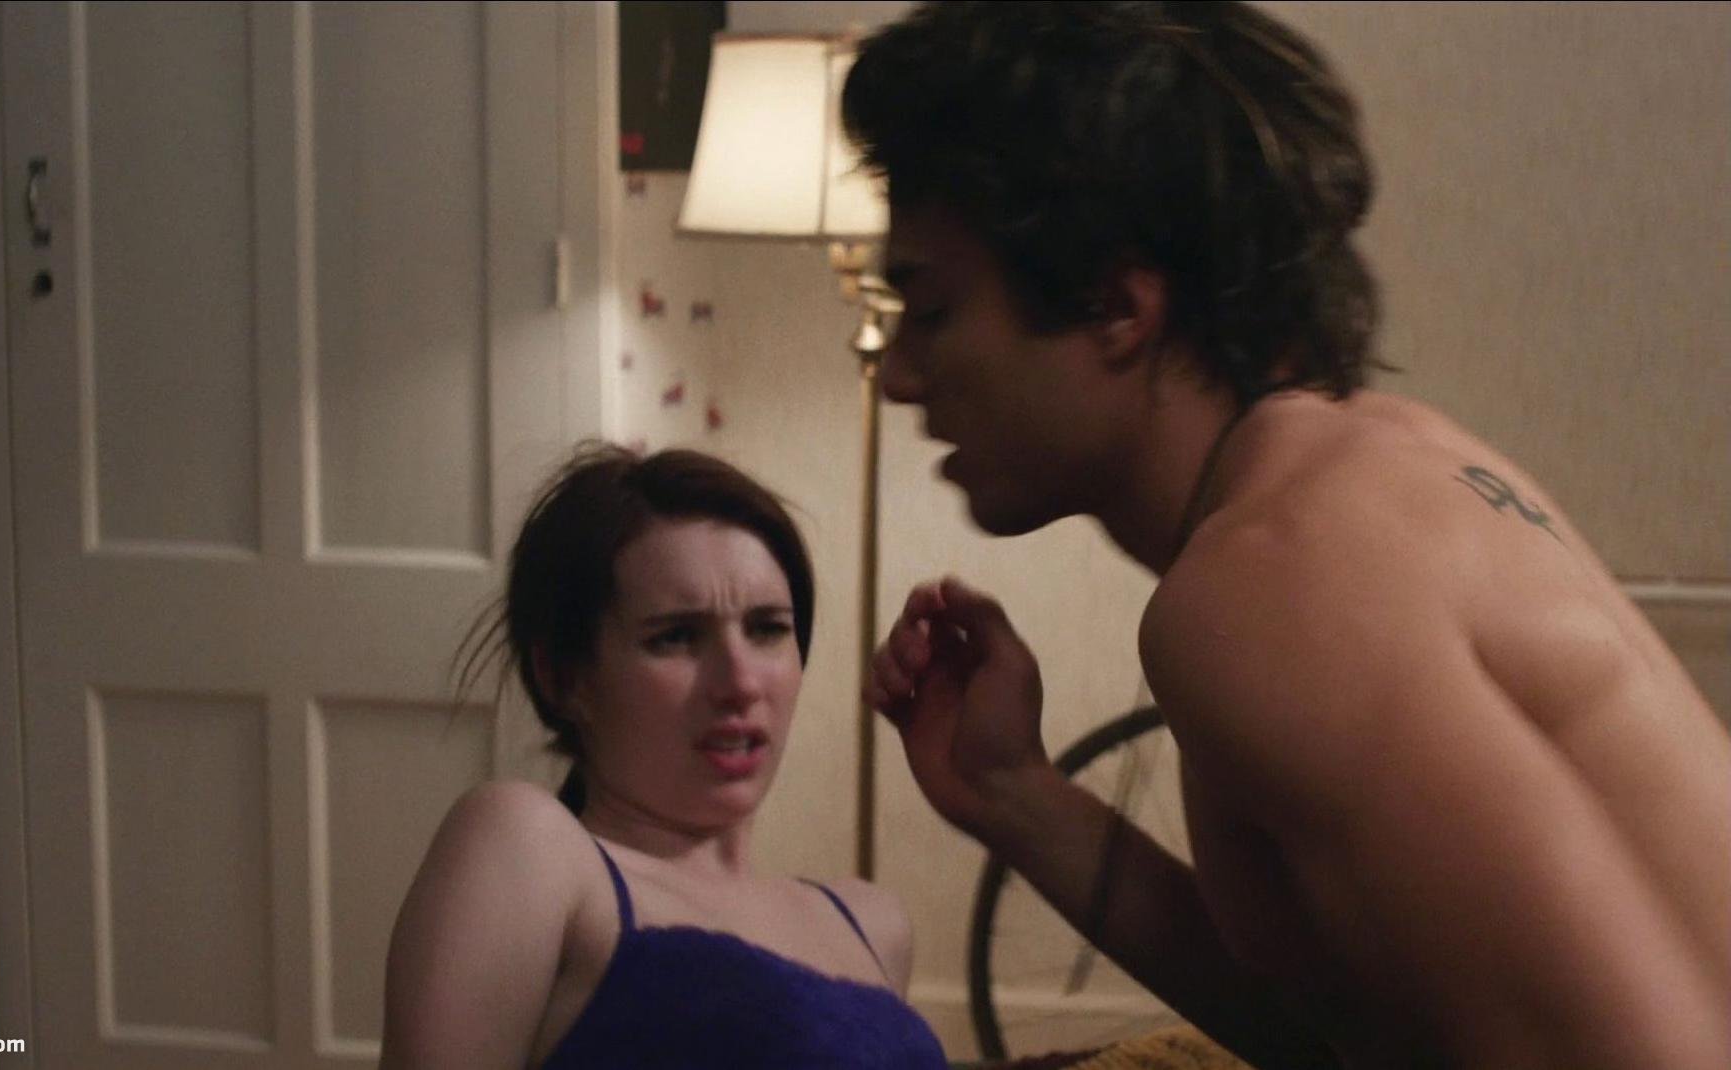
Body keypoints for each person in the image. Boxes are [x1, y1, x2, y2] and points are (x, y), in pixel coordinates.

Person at [847, 4, 1731, 1067]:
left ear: (1117, 306)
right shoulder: (1392, 458)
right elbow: (1360, 1028)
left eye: (933, 310)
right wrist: (1016, 793)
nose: (900, 375)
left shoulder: (1263, 589)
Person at [379, 444, 946, 1069]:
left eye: (767, 629)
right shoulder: (531, 850)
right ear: (564, 678)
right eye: (676, 636)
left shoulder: (873, 925)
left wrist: (995, 788)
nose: (740, 683)